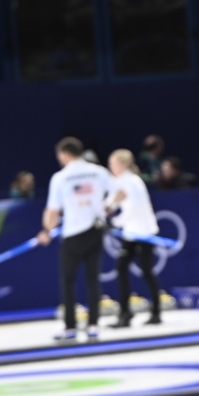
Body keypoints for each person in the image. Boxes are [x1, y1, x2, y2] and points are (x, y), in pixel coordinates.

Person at [39, 136, 113, 342]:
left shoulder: (61, 177)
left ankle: (70, 326)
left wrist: (46, 230)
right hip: (95, 232)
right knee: (92, 279)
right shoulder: (98, 172)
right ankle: (94, 325)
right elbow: (118, 193)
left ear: (64, 154)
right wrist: (105, 210)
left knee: (67, 281)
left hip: (73, 235)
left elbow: (53, 211)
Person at [105, 148, 162, 327]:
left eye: (112, 164)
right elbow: (109, 202)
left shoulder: (133, 182)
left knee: (146, 270)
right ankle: (125, 313)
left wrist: (115, 222)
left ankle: (156, 312)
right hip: (131, 233)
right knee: (121, 268)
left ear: (122, 165)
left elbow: (133, 209)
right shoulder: (119, 181)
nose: (110, 167)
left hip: (144, 233)